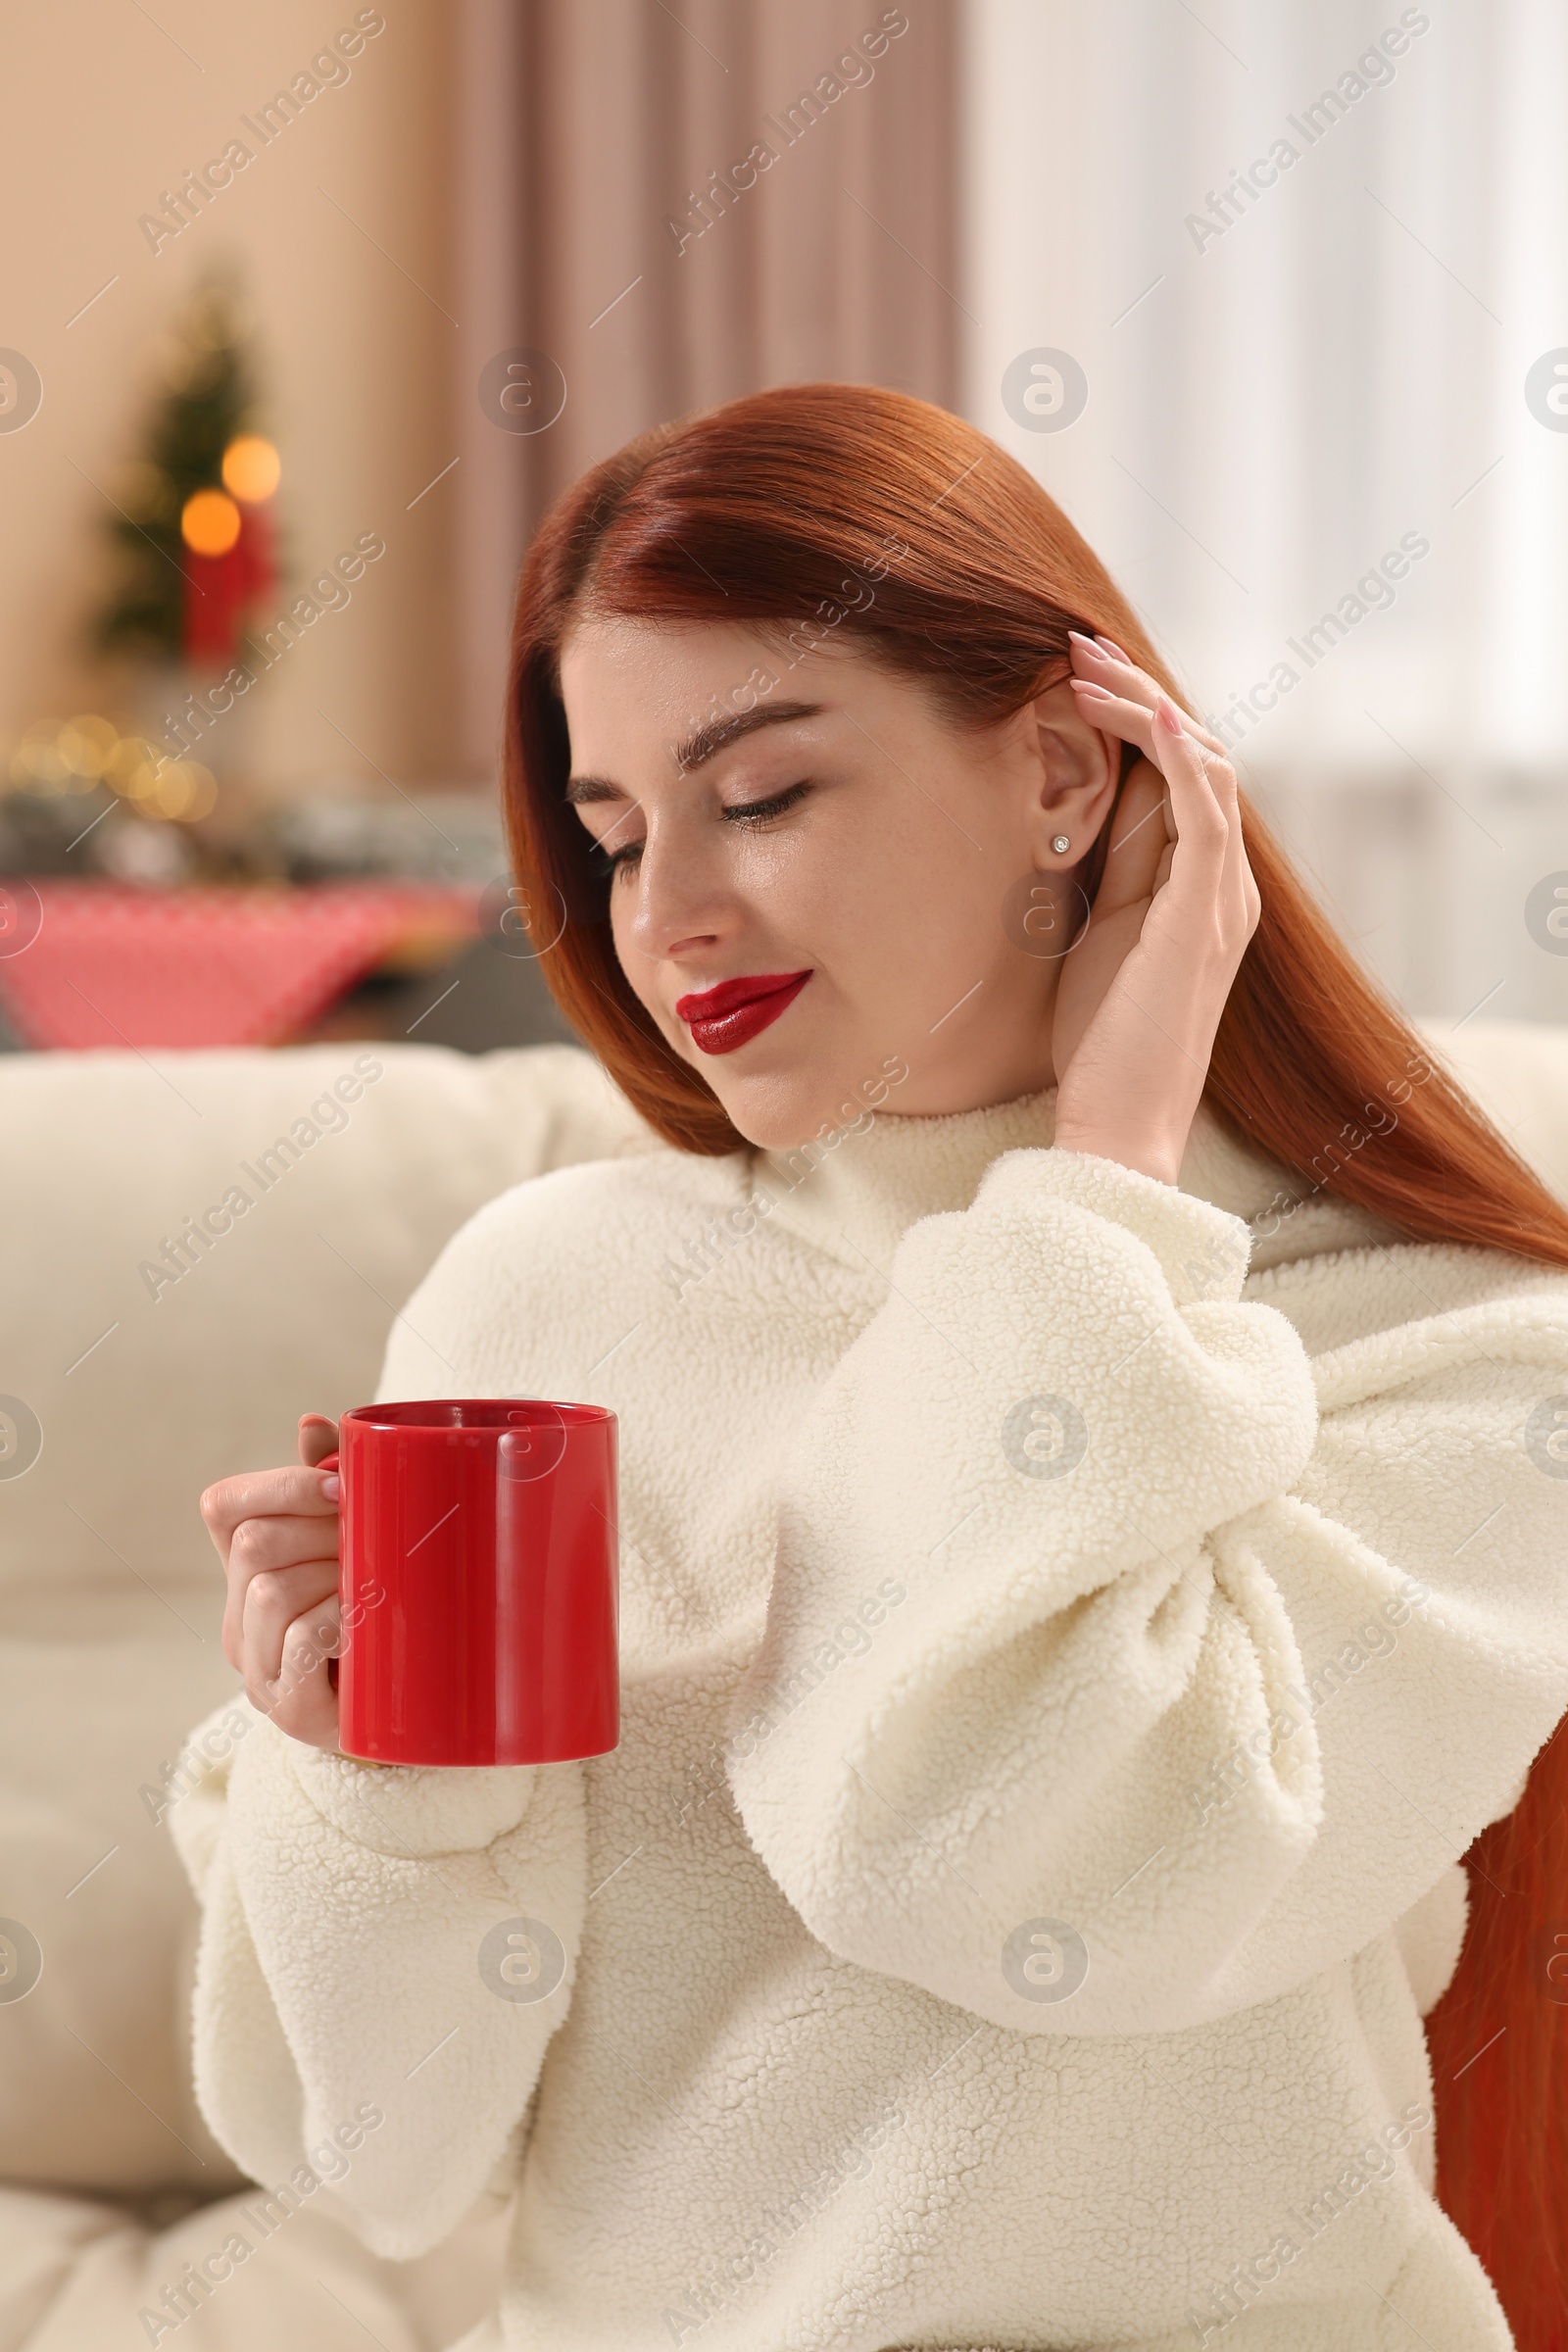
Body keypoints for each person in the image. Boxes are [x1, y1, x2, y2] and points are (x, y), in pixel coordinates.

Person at [177, 383, 1568, 2352]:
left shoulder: (1448, 1348)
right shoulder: (550, 1304)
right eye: (613, 832)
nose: (667, 916)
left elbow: (1003, 1872)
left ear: (1067, 778)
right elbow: (372, 2156)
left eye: (760, 798)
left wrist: (1098, 1196)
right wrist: (361, 1774)